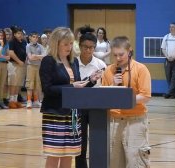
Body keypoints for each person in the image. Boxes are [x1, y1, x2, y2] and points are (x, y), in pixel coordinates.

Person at [39, 27, 101, 168]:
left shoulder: (73, 62)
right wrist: (72, 87)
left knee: (69, 154)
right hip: (55, 113)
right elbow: (47, 89)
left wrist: (90, 80)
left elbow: (77, 86)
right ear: (56, 44)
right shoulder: (48, 61)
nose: (69, 47)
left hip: (73, 114)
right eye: (65, 44)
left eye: (71, 43)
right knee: (54, 154)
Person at [101, 36, 151, 168]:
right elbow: (103, 97)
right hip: (114, 121)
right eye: (115, 55)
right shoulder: (108, 71)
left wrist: (126, 99)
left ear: (129, 51)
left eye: (121, 54)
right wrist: (112, 85)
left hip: (135, 121)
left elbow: (145, 96)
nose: (118, 58)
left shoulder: (141, 69)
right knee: (114, 162)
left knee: (136, 162)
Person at [75, 26, 106, 168]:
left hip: (96, 108)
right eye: (85, 47)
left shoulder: (101, 64)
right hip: (78, 108)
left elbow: (105, 87)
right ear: (79, 46)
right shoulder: (73, 63)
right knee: (80, 145)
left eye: (91, 47)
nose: (88, 50)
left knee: (98, 142)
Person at [8, 26, 27, 109]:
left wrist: (24, 62)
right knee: (13, 83)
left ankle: (16, 101)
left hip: (22, 65)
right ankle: (11, 101)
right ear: (14, 34)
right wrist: (19, 61)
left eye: (21, 33)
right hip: (13, 64)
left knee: (18, 84)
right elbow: (11, 53)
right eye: (18, 33)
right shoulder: (12, 42)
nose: (20, 35)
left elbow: (26, 53)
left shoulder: (24, 42)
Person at [25, 31, 44, 108]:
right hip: (31, 66)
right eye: (33, 37)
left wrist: (35, 56)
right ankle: (29, 101)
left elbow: (44, 56)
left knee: (37, 84)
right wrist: (39, 56)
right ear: (30, 37)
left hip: (38, 67)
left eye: (36, 37)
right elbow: (30, 58)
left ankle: (36, 101)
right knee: (30, 84)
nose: (35, 38)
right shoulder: (28, 46)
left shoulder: (40, 46)